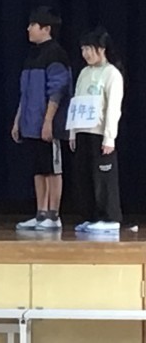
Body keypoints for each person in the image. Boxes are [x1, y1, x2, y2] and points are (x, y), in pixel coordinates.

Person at [12, 6, 72, 231]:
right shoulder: (32, 55)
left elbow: (57, 90)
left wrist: (48, 121)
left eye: (33, 25)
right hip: (31, 124)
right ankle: (41, 214)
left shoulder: (56, 54)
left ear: (46, 28)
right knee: (38, 169)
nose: (29, 29)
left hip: (49, 125)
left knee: (52, 169)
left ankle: (54, 216)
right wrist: (18, 120)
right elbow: (25, 92)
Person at [69, 27, 124, 233]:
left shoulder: (112, 74)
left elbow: (113, 108)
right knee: (84, 176)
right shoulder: (84, 73)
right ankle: (90, 216)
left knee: (103, 177)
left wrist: (109, 137)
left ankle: (109, 219)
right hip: (82, 131)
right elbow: (76, 102)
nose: (85, 54)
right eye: (82, 49)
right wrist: (73, 132)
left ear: (101, 49)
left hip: (100, 133)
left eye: (88, 49)